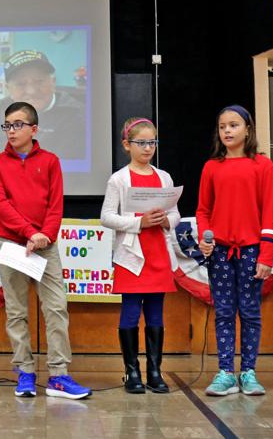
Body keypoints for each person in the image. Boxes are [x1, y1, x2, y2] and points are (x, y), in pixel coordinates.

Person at [0, 101, 91, 400]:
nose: (11, 130)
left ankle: (59, 375)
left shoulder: (50, 161)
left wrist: (43, 235)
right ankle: (25, 372)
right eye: (7, 125)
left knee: (56, 308)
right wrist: (29, 232)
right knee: (16, 312)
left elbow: (55, 205)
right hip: (11, 244)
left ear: (34, 129)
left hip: (45, 245)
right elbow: (1, 205)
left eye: (18, 125)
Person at [197, 105, 273, 397]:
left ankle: (249, 372)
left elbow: (269, 214)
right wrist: (205, 238)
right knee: (224, 312)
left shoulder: (263, 166)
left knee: (250, 311)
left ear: (247, 129)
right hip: (220, 252)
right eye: (222, 127)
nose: (227, 131)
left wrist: (266, 255)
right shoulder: (211, 167)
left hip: (252, 251)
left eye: (233, 125)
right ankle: (225, 373)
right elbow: (203, 211)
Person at [100, 118, 180, 394]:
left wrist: (166, 220)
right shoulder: (119, 179)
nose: (148, 148)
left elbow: (175, 213)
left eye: (152, 142)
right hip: (132, 255)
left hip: (158, 253)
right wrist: (138, 222)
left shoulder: (164, 177)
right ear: (127, 145)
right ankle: (132, 371)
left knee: (156, 314)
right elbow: (106, 216)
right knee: (131, 312)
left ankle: (154, 372)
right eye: (141, 143)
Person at [0, 50, 86, 160]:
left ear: (53, 82)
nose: (31, 91)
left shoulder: (80, 117)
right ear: (9, 89)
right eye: (20, 84)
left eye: (39, 81)